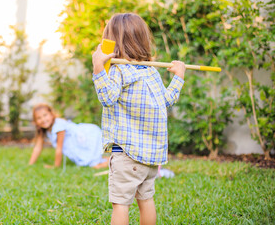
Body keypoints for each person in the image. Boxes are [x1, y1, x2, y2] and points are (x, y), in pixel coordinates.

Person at [92, 13, 186, 225]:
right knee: (146, 200)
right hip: (151, 157)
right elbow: (167, 100)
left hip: (127, 154)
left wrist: (99, 67)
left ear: (113, 42)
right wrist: (178, 77)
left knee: (121, 204)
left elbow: (107, 98)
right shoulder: (151, 71)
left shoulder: (119, 70)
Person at [28, 103, 109, 169]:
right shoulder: (43, 130)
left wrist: (55, 166)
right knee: (90, 162)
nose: (43, 119)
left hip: (88, 135)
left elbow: (59, 148)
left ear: (51, 114)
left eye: (45, 115)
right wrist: (30, 165)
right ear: (35, 122)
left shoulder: (58, 125)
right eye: (39, 118)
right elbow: (37, 148)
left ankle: (116, 163)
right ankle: (112, 160)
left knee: (94, 165)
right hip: (79, 143)